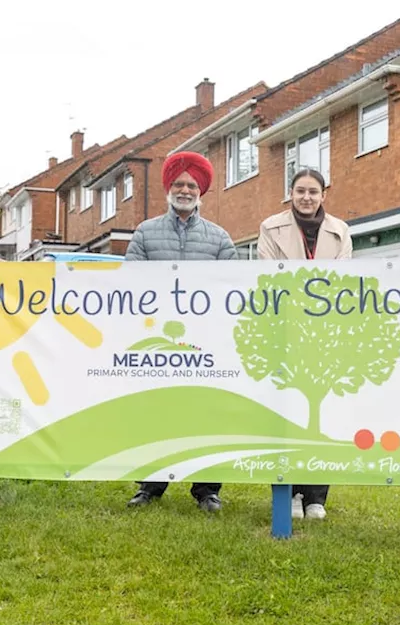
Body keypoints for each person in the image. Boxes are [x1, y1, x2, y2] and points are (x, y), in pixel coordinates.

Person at [124, 151, 236, 512]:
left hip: (205, 343)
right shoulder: (145, 232)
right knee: (156, 411)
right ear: (168, 189)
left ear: (201, 190)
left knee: (207, 413)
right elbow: (130, 283)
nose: (185, 190)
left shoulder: (220, 239)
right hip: (158, 340)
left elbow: (232, 290)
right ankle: (150, 485)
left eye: (191, 184)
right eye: (178, 184)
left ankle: (207, 489)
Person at [257, 167, 351, 521]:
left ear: (324, 194)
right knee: (284, 411)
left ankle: (316, 496)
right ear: (291, 194)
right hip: (283, 328)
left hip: (325, 332)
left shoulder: (341, 232)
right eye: (300, 191)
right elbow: (269, 275)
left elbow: (343, 282)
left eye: (313, 191)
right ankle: (289, 491)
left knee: (321, 413)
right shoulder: (270, 228)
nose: (307, 197)